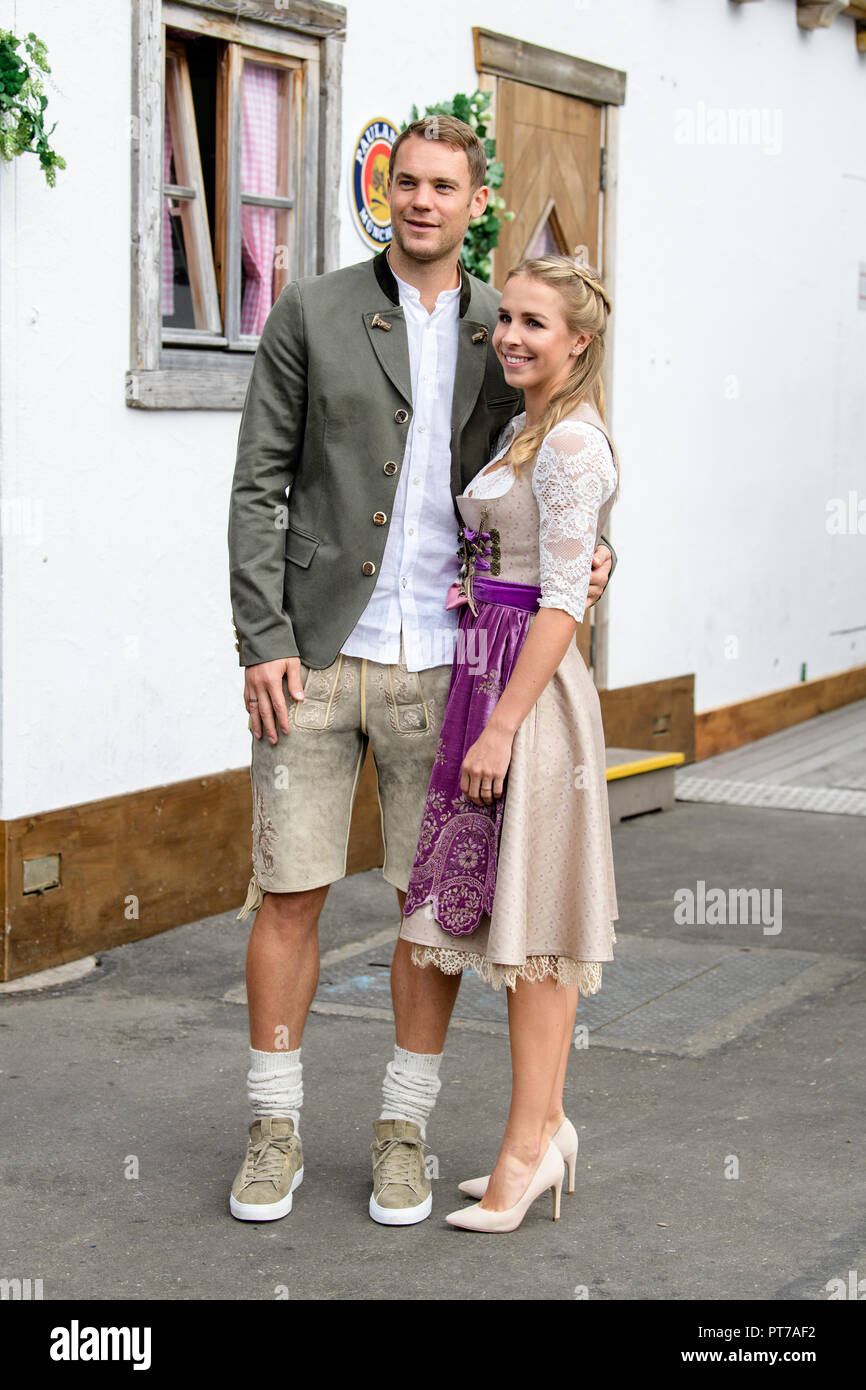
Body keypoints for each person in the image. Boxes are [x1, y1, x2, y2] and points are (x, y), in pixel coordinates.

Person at [226, 114, 616, 1225]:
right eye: (406, 182)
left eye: (444, 186)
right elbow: (258, 484)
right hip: (314, 653)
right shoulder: (310, 309)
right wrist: (261, 637)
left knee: (428, 914)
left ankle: (403, 1130)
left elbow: (559, 475)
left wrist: (594, 560)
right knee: (288, 892)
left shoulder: (510, 327)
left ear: (473, 201)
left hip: (447, 669)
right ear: (381, 190)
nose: (421, 201)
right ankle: (273, 1127)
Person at [398, 254, 619, 1232]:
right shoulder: (526, 428)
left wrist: (499, 722)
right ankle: (548, 1122)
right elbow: (526, 560)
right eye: (507, 320)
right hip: (487, 673)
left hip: (524, 701)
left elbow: (563, 598)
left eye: (536, 323)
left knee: (534, 936)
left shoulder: (569, 442)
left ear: (577, 341)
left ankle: (526, 1150)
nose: (513, 337)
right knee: (506, 920)